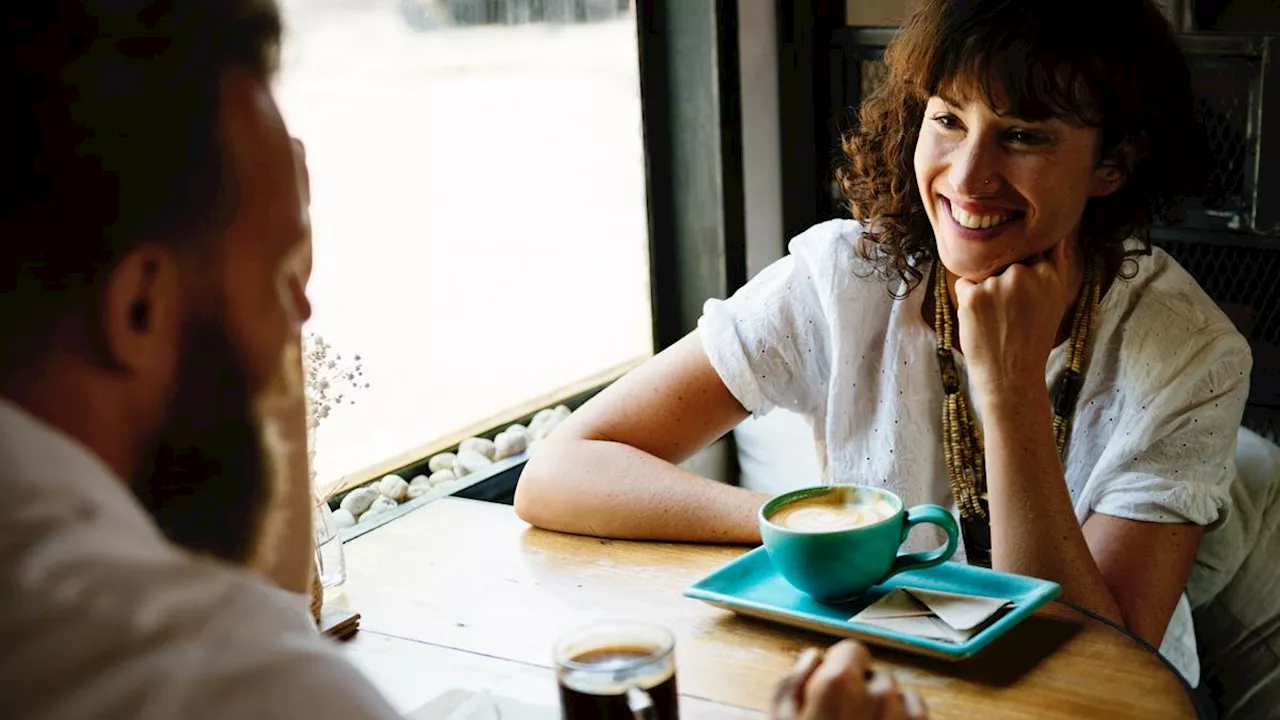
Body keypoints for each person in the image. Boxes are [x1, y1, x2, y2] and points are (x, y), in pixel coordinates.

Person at [0, 1, 922, 718]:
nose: (303, 321)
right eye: (282, 274)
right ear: (139, 308)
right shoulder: (210, 675)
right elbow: (268, 621)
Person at [516, 0, 1251, 690]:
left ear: (1112, 163)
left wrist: (1009, 388)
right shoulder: (846, 277)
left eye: (1024, 134)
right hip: (883, 679)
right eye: (949, 119)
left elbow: (1095, 665)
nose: (967, 177)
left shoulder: (1192, 353)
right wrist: (813, 535)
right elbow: (559, 472)